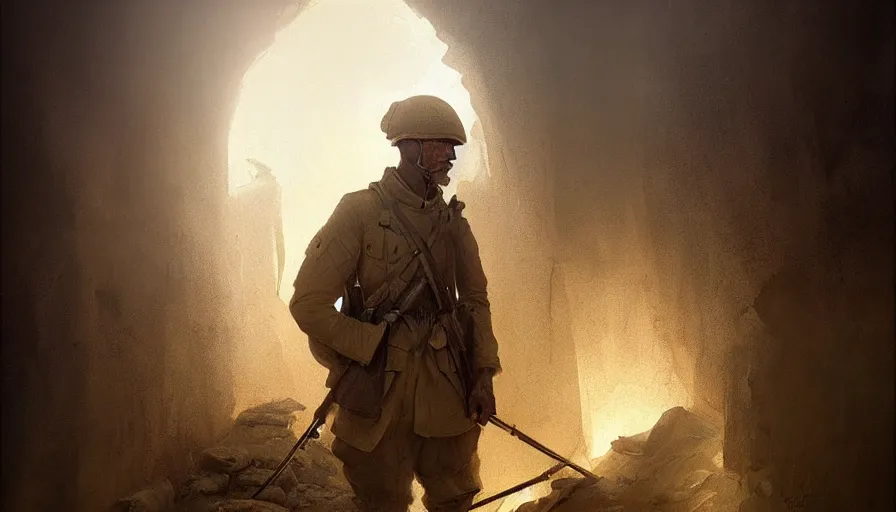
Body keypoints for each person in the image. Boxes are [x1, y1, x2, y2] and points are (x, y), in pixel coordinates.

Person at [289, 95, 501, 511]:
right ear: (409, 147)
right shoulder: (359, 213)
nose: (451, 155)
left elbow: (475, 301)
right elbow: (309, 302)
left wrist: (483, 376)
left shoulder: (452, 223)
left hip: (446, 391)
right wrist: (365, 345)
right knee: (381, 499)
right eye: (439, 144)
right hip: (377, 393)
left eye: (452, 146)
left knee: (456, 496)